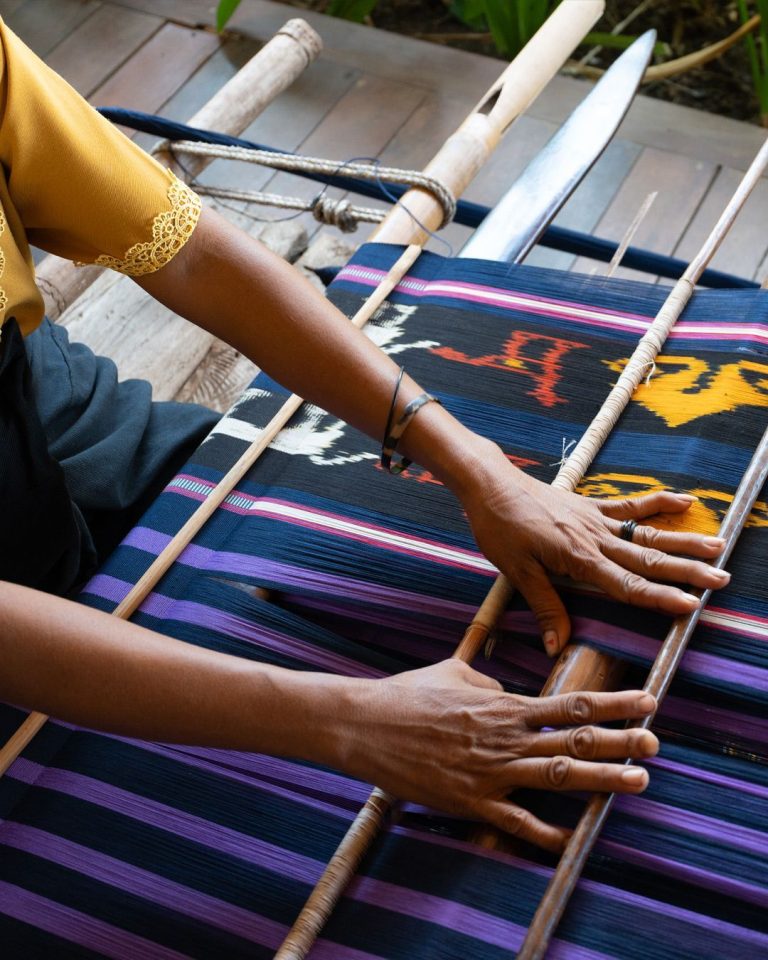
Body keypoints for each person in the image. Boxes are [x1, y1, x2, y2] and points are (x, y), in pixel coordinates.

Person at [0, 18, 730, 852]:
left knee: (281, 526)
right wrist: (347, 722)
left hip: (53, 413)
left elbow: (191, 255)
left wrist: (477, 466)